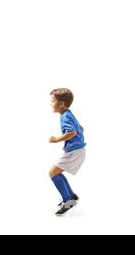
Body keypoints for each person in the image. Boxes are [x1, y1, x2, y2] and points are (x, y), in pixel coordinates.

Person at [49, 88, 86, 216]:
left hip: (74, 151)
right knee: (56, 172)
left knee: (53, 173)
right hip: (78, 149)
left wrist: (55, 139)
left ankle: (68, 200)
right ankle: (71, 197)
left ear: (62, 104)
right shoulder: (69, 114)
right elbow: (81, 128)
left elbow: (72, 132)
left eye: (53, 101)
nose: (51, 104)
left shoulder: (65, 117)